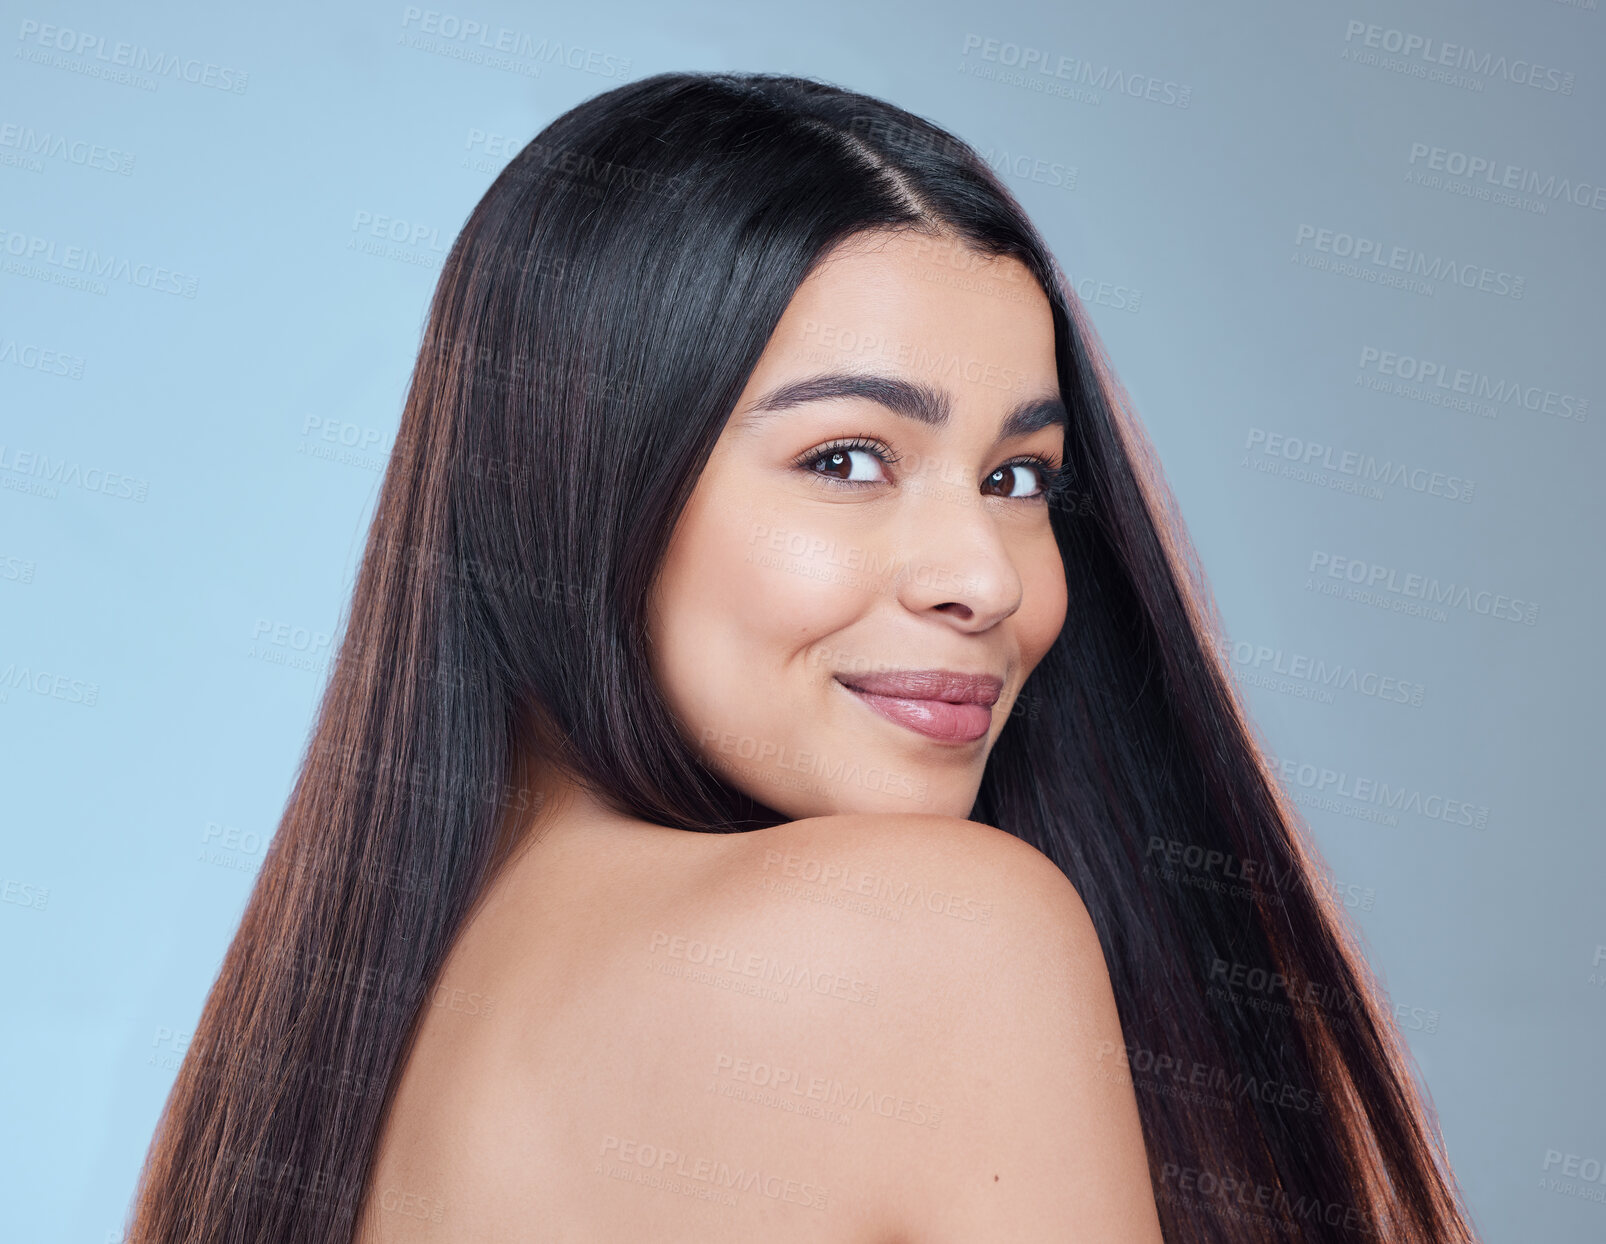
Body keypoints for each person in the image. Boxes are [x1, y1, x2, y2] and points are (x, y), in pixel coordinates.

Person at [126, 72, 1481, 1244]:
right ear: (577, 478)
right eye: (845, 459)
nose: (981, 578)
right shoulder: (932, 930)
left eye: (1019, 476)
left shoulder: (296, 1054)